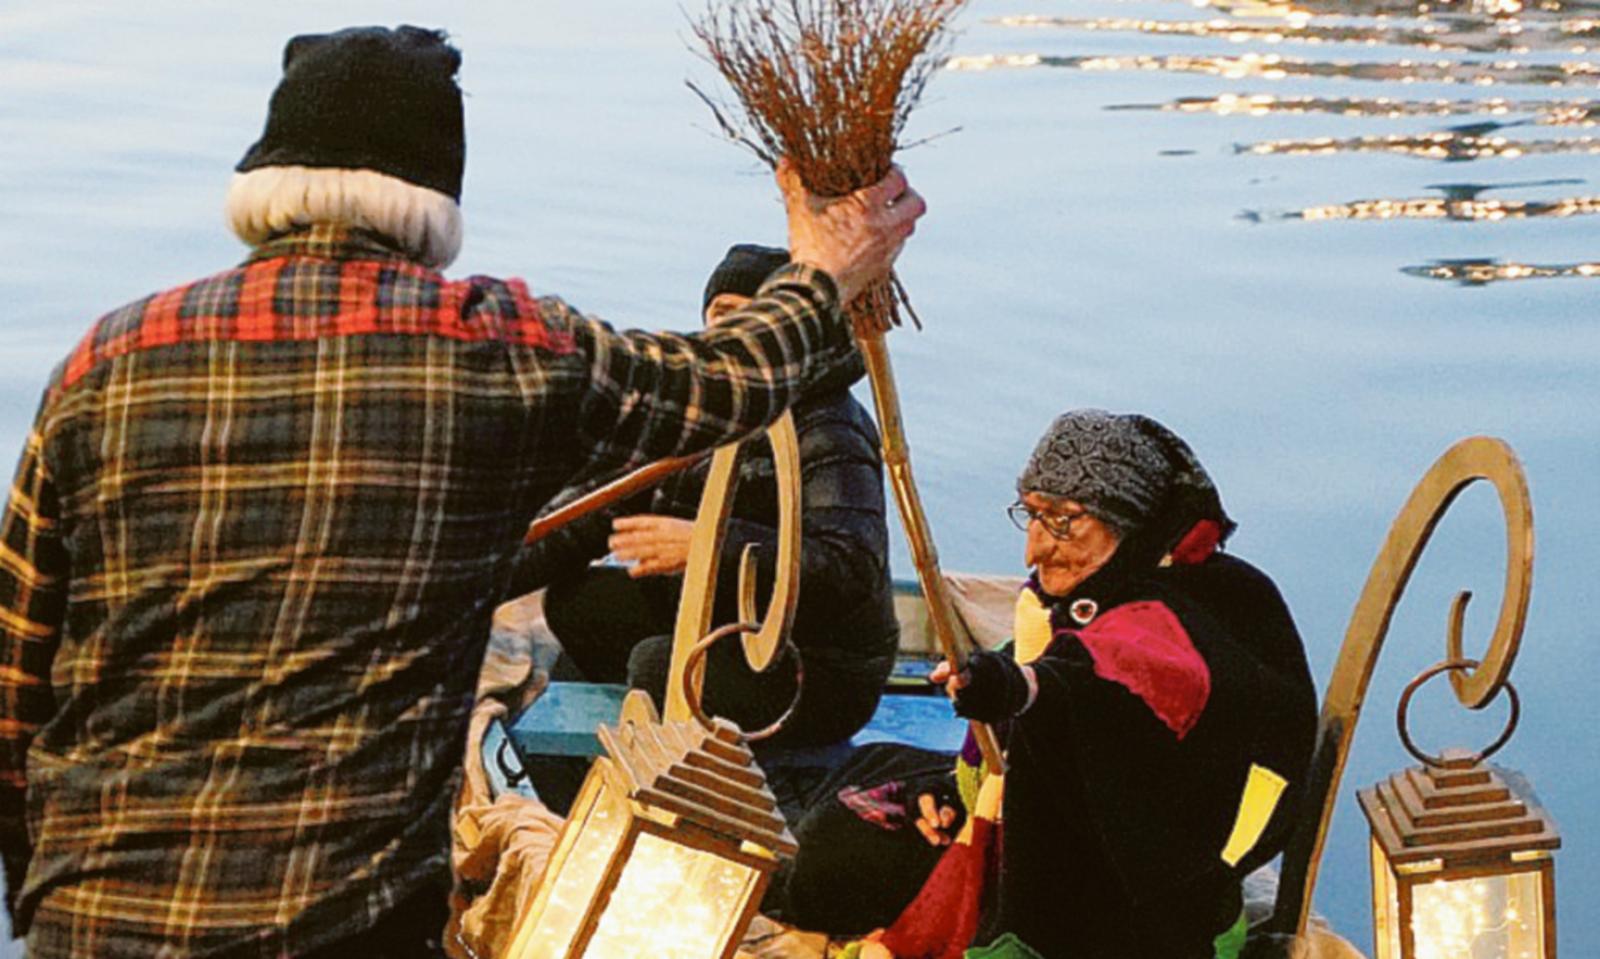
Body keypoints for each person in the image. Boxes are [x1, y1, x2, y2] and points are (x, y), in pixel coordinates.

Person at [0, 25, 924, 959]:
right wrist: (830, 259)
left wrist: (33, 884)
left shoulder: (107, 359)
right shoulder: (501, 348)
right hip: (344, 916)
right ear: (435, 201)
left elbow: (15, 678)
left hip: (94, 909)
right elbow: (726, 378)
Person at [778, 410, 1317, 959]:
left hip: (1142, 900)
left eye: (1064, 520)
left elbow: (1110, 679)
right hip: (1071, 820)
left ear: (1129, 522)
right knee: (863, 788)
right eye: (1032, 514)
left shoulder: (1190, 614)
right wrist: (952, 790)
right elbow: (1047, 667)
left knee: (835, 854)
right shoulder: (1103, 589)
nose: (1033, 550)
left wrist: (1018, 687)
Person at [514, 244, 899, 749]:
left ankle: (701, 760)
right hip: (725, 617)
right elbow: (589, 515)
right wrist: (472, 579)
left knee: (658, 663)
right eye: (723, 315)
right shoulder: (710, 407)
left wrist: (710, 545)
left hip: (816, 665)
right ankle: (609, 753)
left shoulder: (830, 429)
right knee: (577, 602)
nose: (738, 333)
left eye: (753, 317)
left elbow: (849, 567)